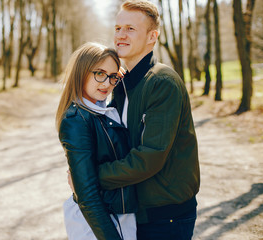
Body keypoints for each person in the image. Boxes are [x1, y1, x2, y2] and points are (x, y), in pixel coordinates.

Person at [97, 1, 201, 239]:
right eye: (118, 28)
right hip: (136, 210)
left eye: (130, 29)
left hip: (165, 216)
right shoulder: (123, 83)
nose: (120, 35)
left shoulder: (162, 82)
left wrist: (93, 175)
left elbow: (149, 157)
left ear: (152, 37)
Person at [56, 42, 138, 240]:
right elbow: (87, 194)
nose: (106, 84)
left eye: (112, 77)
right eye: (99, 73)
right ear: (82, 72)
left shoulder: (102, 110)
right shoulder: (76, 119)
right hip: (97, 224)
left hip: (119, 216)